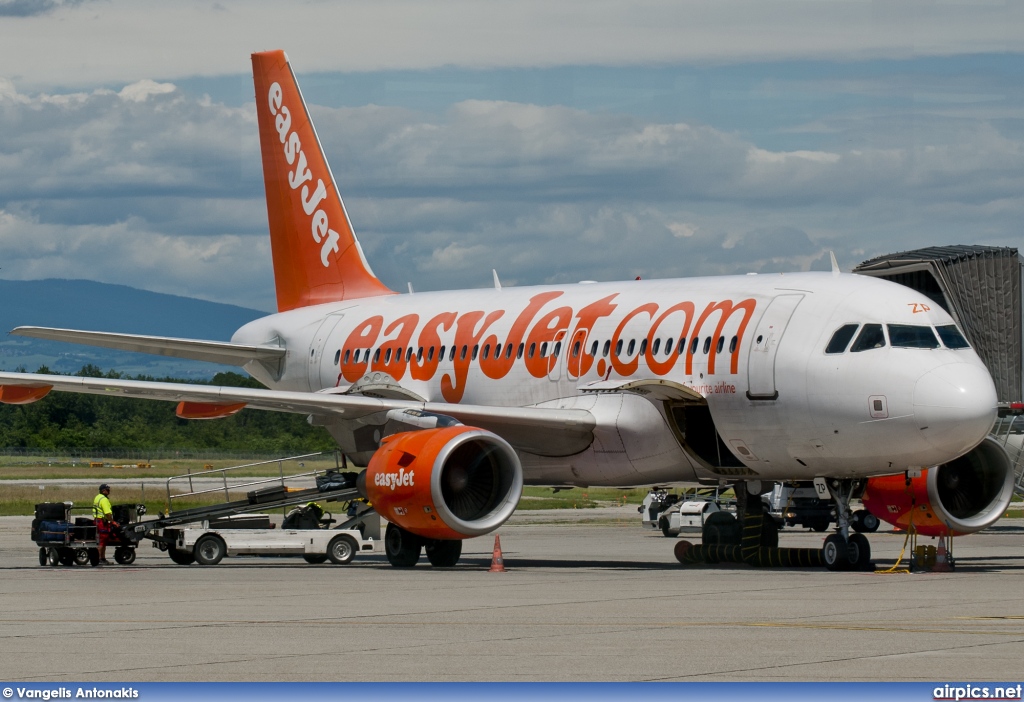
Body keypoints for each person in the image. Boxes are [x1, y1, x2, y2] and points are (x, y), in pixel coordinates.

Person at [92, 484, 118, 565]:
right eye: (107, 489)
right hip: (102, 522)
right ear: (103, 490)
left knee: (102, 540)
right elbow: (107, 513)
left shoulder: (97, 497)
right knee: (102, 541)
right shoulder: (104, 500)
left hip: (97, 521)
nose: (109, 491)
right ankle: (100, 559)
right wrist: (113, 521)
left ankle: (102, 558)